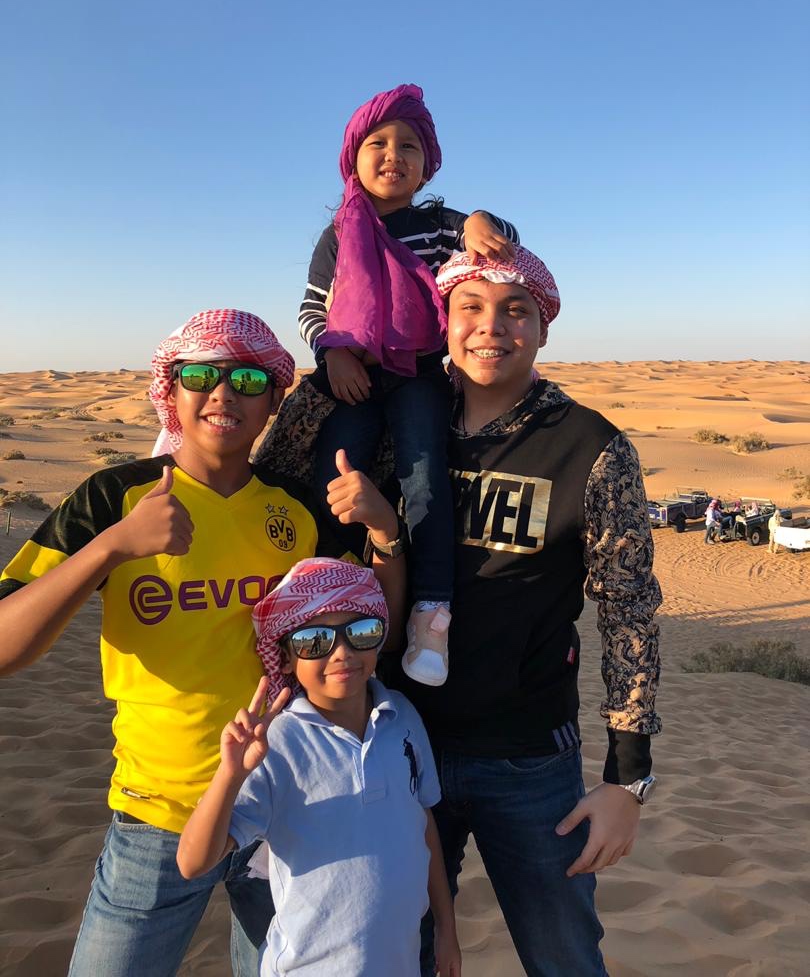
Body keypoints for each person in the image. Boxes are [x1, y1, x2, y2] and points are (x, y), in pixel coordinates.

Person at [0, 309, 405, 977]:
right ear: (171, 389)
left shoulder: (296, 508)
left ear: (274, 400)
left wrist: (385, 533)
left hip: (289, 809)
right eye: (200, 376)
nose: (224, 394)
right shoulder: (117, 497)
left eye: (248, 380)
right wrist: (113, 547)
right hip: (159, 813)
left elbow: (373, 627)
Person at [391, 247, 662, 977]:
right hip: (401, 748)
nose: (492, 326)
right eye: (470, 307)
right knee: (405, 954)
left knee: (563, 958)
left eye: (517, 310)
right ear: (443, 322)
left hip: (528, 759)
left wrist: (627, 778)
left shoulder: (592, 447)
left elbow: (629, 610)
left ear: (543, 329)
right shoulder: (403, 428)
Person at [296, 82, 520, 688]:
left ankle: (430, 610)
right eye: (379, 143)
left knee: (425, 480)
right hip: (353, 376)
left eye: (409, 146)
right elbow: (313, 308)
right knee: (333, 475)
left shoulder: (443, 227)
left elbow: (504, 245)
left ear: (427, 165)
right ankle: (329, 590)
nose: (393, 155)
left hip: (419, 374)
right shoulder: (339, 234)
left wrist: (480, 220)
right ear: (354, 157)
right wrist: (332, 353)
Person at [177, 557, 461, 977]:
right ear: (285, 659)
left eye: (361, 632)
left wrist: (446, 929)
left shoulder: (401, 715)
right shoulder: (276, 742)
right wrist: (230, 775)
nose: (342, 652)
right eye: (314, 640)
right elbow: (193, 862)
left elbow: (423, 822)